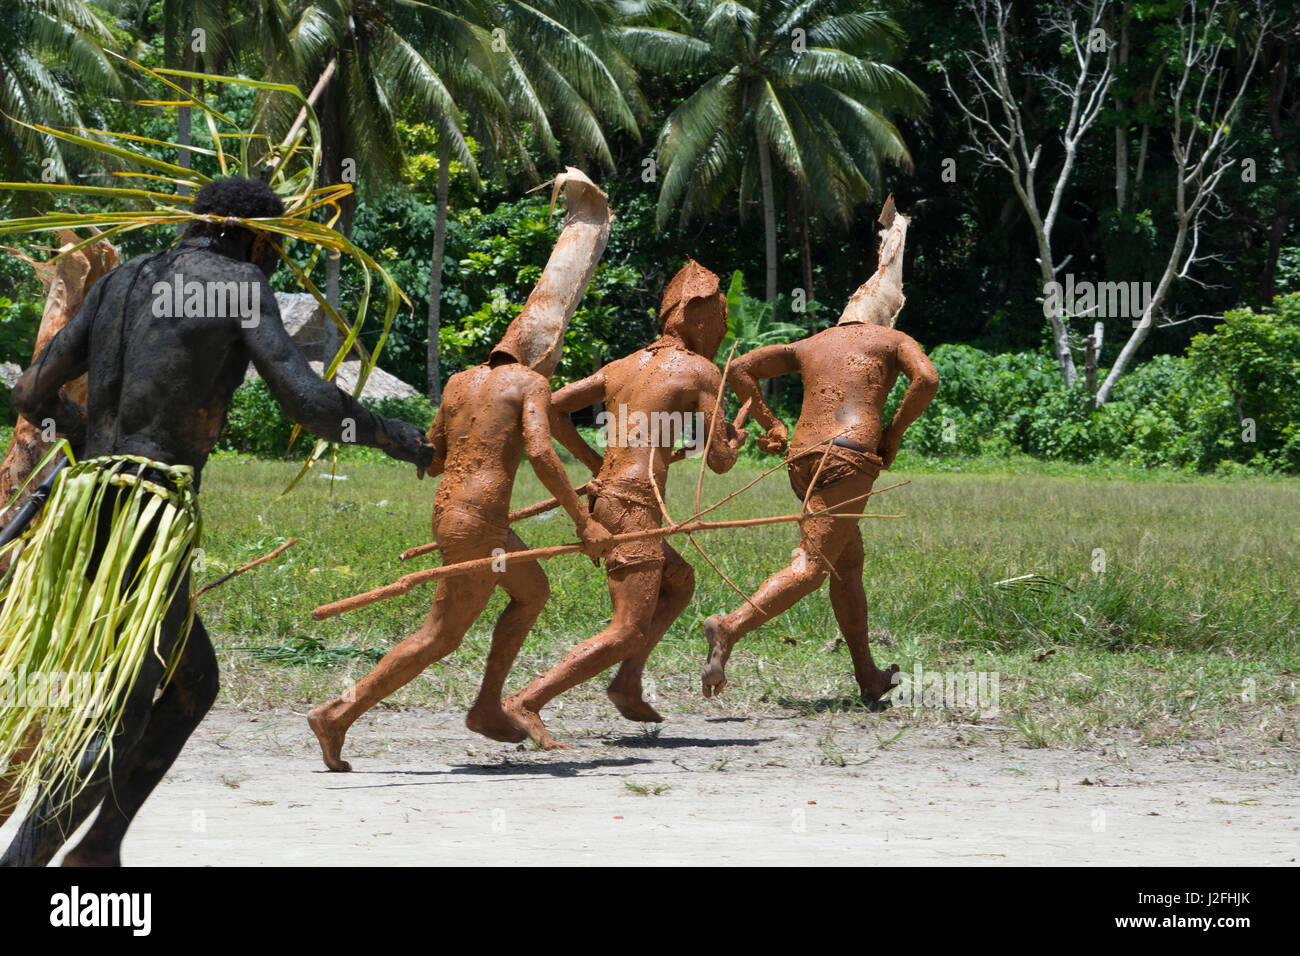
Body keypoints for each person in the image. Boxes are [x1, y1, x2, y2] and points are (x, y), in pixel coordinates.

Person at [0, 176, 434, 866]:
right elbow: (309, 404)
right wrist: (395, 436)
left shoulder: (124, 281)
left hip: (87, 510)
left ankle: (99, 848)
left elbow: (30, 393)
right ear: (260, 238)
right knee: (122, 707)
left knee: (193, 681)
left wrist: (90, 444)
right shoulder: (236, 283)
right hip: (144, 520)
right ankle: (24, 861)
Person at [308, 170, 614, 769]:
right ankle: (338, 712)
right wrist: (584, 523)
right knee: (441, 635)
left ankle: (485, 704)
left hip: (459, 513)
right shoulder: (528, 381)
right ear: (542, 351)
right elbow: (544, 450)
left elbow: (437, 453)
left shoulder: (459, 382)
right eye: (553, 352)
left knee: (531, 593)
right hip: (478, 522)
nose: (553, 360)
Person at [700, 206, 938, 707]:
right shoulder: (892, 338)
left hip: (802, 458)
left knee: (847, 564)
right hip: (849, 457)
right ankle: (729, 627)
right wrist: (892, 433)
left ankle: (868, 676)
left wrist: (774, 425)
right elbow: (928, 380)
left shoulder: (814, 342)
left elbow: (739, 367)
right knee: (812, 565)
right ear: (886, 314)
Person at [503, 261, 746, 750]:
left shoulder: (624, 366)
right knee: (628, 628)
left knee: (678, 582)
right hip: (633, 505)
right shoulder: (701, 370)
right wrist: (737, 438)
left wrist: (600, 463)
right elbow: (719, 461)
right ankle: (527, 701)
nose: (721, 332)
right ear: (696, 317)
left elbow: (552, 409)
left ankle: (627, 682)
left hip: (607, 498)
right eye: (719, 321)